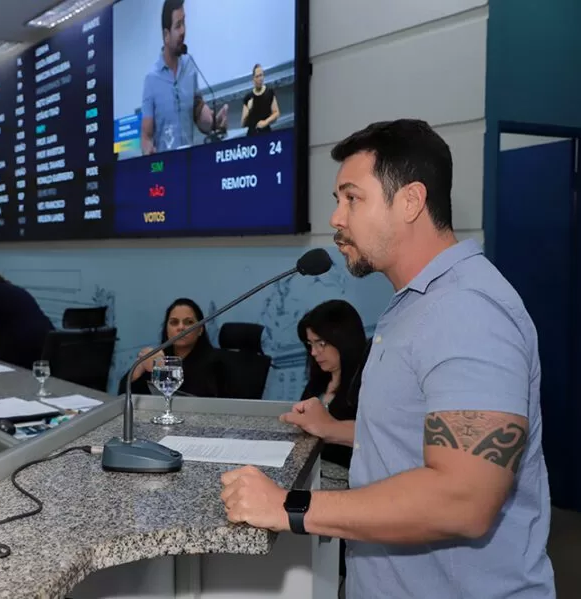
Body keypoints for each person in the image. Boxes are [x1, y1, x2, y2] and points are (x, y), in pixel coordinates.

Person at [220, 119, 555, 599]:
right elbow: (413, 432)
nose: (336, 217)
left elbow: (465, 499)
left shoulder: (467, 310)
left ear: (411, 201)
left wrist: (289, 506)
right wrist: (333, 429)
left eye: (352, 198)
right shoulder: (415, 304)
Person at [140, 0, 229, 155]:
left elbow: (198, 111)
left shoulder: (190, 65)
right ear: (166, 35)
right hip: (164, 165)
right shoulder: (151, 80)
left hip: (189, 162)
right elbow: (146, 136)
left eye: (184, 23)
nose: (183, 31)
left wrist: (214, 123)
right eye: (178, 25)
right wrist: (148, 151)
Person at [294, 299, 367, 469]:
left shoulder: (365, 386)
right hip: (312, 468)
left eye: (321, 344)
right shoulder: (318, 381)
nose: (314, 352)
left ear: (344, 340)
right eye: (310, 344)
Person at [118, 298, 223, 397]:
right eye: (174, 322)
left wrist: (165, 373)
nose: (181, 327)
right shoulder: (157, 358)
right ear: (166, 329)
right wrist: (138, 370)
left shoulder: (218, 363)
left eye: (189, 322)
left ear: (200, 330)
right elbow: (124, 397)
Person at [241, 64, 280, 136]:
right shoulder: (248, 97)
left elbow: (276, 113)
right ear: (253, 79)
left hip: (266, 132)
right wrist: (249, 111)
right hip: (252, 134)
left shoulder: (269, 92)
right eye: (257, 76)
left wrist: (266, 122)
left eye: (261, 75)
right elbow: (243, 124)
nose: (260, 78)